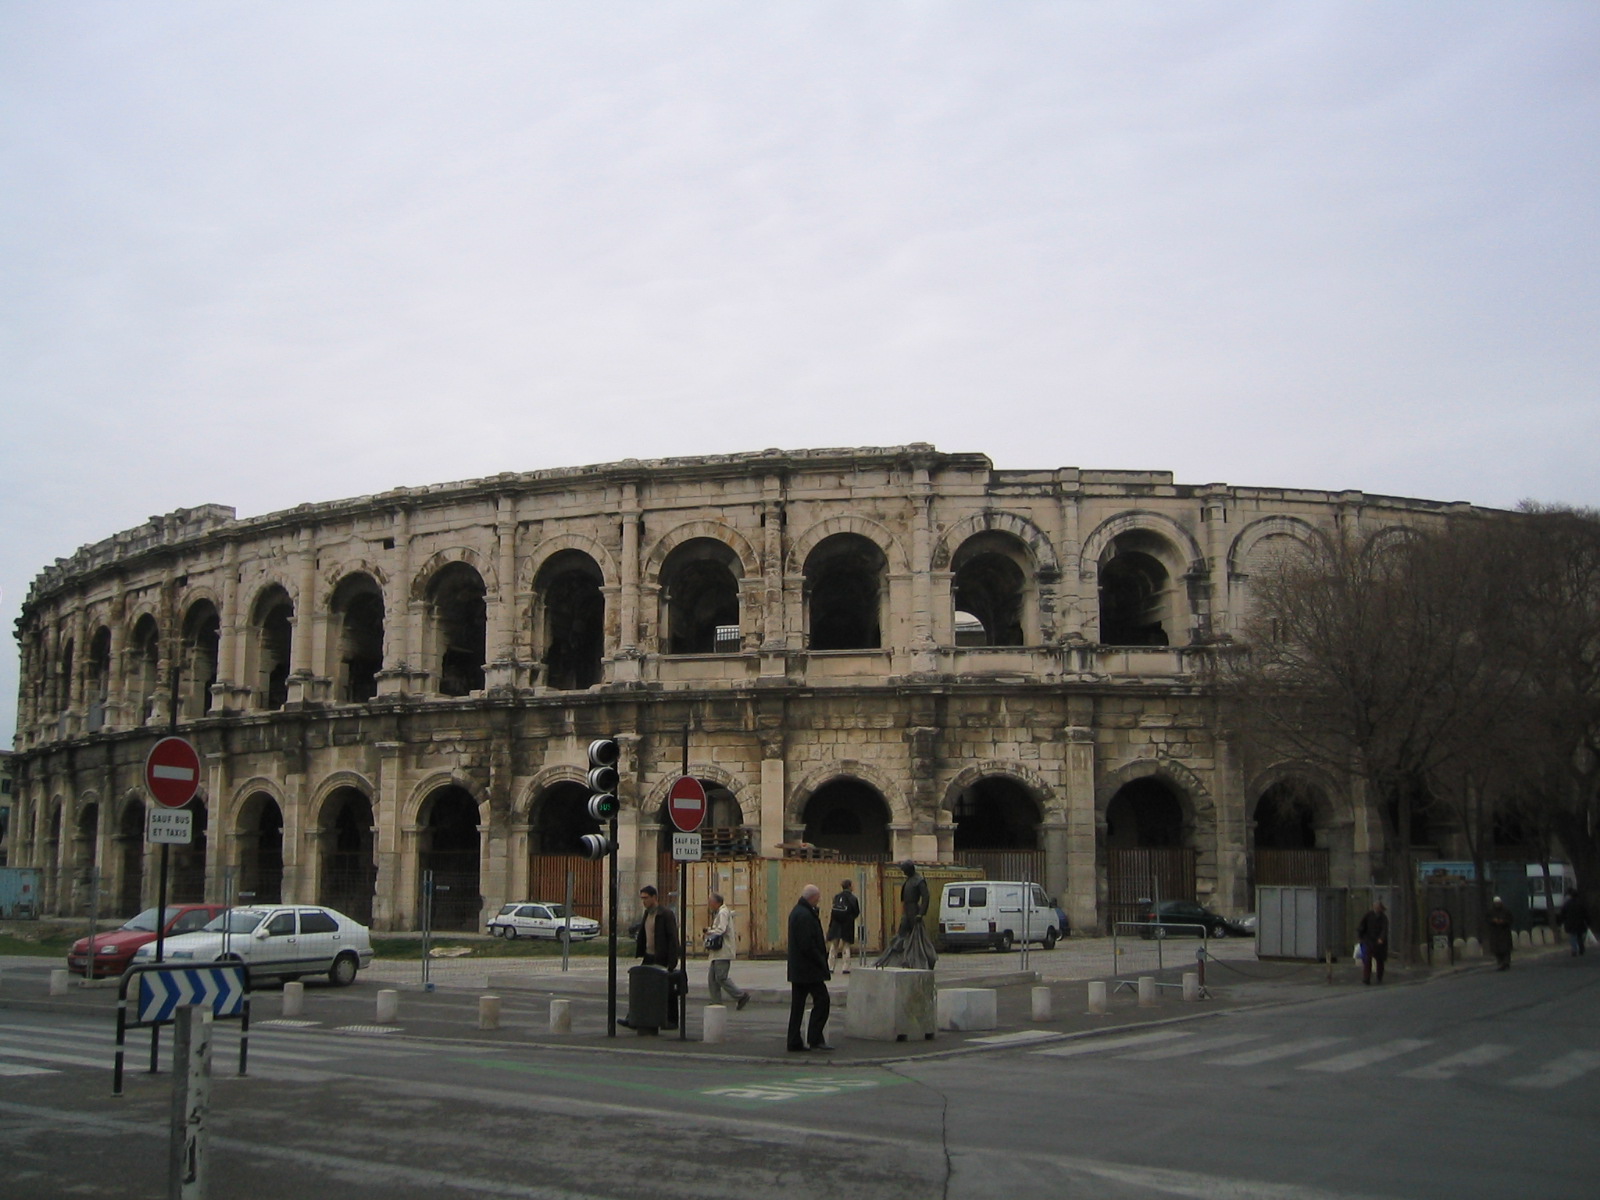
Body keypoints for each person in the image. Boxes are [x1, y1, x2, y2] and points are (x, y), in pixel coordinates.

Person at [621, 884, 680, 1030]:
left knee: (667, 990)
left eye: (646, 898)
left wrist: (672, 962)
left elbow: (673, 938)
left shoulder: (665, 914)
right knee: (640, 987)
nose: (644, 901)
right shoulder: (647, 913)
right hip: (649, 956)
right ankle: (633, 1018)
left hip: (662, 957)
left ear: (654, 897)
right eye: (642, 898)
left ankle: (671, 1021)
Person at [786, 883, 832, 1052]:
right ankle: (814, 1038)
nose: (819, 900)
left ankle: (794, 1041)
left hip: (799, 969)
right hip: (809, 969)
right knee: (823, 1000)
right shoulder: (805, 915)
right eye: (818, 898)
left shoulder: (798, 912)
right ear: (812, 898)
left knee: (797, 1006)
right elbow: (808, 944)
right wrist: (821, 960)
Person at [874, 861, 938, 969]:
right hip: (907, 910)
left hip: (914, 910)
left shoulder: (919, 880)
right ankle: (896, 958)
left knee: (918, 936)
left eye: (904, 871)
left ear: (910, 869)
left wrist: (921, 913)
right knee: (901, 934)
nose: (903, 873)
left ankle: (924, 958)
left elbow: (926, 897)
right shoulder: (909, 880)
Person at [704, 892, 751, 1010]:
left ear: (717, 902)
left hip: (723, 951)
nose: (709, 904)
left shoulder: (723, 913)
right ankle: (716, 1002)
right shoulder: (720, 912)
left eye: (711, 902)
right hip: (717, 953)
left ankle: (740, 996)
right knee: (712, 978)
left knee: (720, 977)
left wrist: (710, 932)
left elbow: (721, 929)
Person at [827, 879, 861, 974]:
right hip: (847, 924)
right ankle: (845, 967)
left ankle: (830, 967)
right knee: (846, 946)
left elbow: (833, 911)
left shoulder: (837, 897)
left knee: (834, 946)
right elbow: (856, 912)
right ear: (849, 886)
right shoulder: (853, 898)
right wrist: (850, 918)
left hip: (835, 924)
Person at [1356, 899, 1388, 984]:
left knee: (1380, 960)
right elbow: (1362, 925)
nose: (1376, 909)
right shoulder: (1368, 915)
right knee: (1367, 959)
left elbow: (1384, 929)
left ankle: (1379, 977)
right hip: (1369, 940)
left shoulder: (1383, 918)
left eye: (1378, 907)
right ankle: (1367, 978)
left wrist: (1381, 938)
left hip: (1379, 942)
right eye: (1375, 907)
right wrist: (1360, 936)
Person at [1486, 895, 1514, 971]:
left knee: (1505, 949)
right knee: (1497, 950)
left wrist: (1503, 921)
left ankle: (1506, 962)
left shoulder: (1506, 911)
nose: (1497, 904)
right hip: (1495, 933)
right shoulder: (1491, 911)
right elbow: (1488, 920)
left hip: (1504, 932)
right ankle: (1500, 963)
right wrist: (1493, 921)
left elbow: (1510, 920)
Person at [1559, 889, 1590, 957]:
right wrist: (1588, 922)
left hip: (1570, 922)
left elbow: (1562, 913)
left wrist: (1562, 921)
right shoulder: (1581, 904)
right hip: (1580, 922)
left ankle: (1574, 950)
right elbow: (1585, 914)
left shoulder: (1567, 904)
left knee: (1572, 936)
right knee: (1580, 936)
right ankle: (1581, 947)